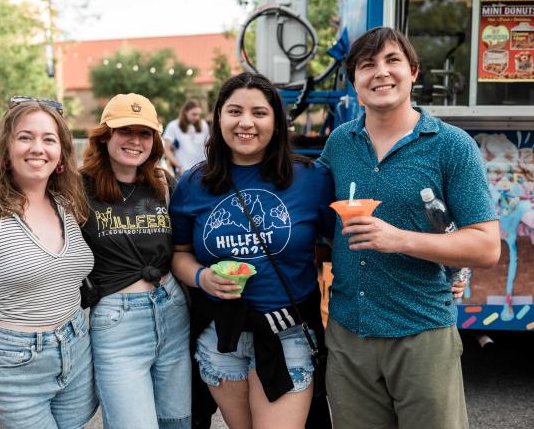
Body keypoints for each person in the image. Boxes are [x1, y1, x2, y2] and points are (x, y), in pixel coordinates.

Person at [317, 27, 500, 429]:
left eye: (392, 61)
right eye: (367, 65)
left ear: (413, 71)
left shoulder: (451, 145)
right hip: (350, 335)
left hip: (422, 334)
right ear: (354, 81)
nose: (380, 73)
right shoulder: (340, 144)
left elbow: (487, 247)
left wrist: (397, 239)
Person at [169, 72, 334, 429]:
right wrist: (202, 277)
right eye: (234, 112)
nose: (246, 122)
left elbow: (344, 245)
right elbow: (179, 253)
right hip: (220, 336)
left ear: (276, 122)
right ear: (219, 119)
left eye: (259, 113)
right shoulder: (192, 185)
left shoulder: (311, 179)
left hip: (286, 333)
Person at [0, 98, 98, 428]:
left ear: (61, 151)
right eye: (25, 137)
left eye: (49, 139)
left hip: (76, 352)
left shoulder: (68, 204)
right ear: (6, 148)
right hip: (16, 367)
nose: (38, 148)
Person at [79, 93, 191, 428]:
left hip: (172, 311)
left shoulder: (162, 183)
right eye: (125, 130)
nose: (135, 141)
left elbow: (186, 244)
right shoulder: (77, 186)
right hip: (118, 323)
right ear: (105, 136)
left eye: (144, 133)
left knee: (178, 422)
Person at [162, 99, 209, 176]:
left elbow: (207, 146)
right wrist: (179, 166)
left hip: (202, 171)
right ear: (185, 112)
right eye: (194, 114)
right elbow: (166, 149)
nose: (197, 117)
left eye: (199, 114)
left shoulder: (204, 125)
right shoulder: (173, 126)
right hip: (184, 172)